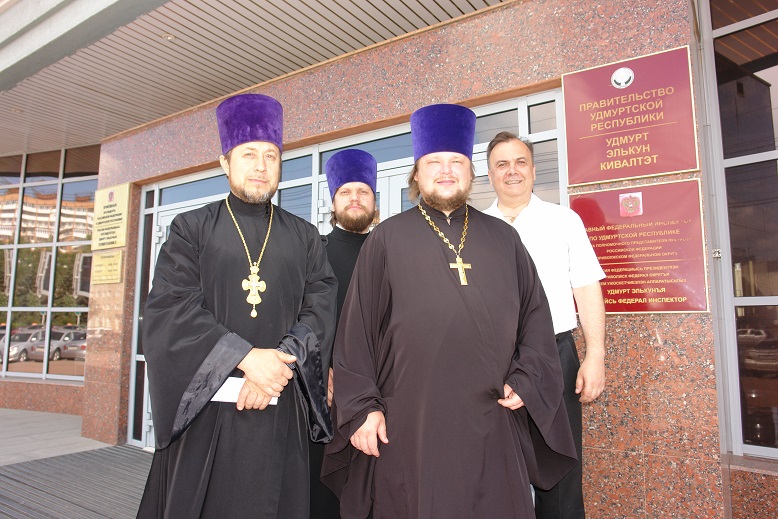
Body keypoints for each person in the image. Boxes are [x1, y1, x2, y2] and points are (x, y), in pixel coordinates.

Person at [321, 103, 577, 519]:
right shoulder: (386, 240)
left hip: (493, 418)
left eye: (456, 161)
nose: (445, 171)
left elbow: (535, 319)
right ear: (417, 174)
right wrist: (363, 408)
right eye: (433, 162)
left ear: (470, 172)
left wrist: (528, 378)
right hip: (411, 423)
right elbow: (357, 334)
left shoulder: (505, 239)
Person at [137, 93, 337, 519]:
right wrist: (246, 358)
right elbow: (171, 308)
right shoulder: (191, 229)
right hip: (206, 412)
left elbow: (320, 306)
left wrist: (277, 366)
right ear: (225, 163)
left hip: (280, 405)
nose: (261, 166)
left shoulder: (305, 237)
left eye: (271, 156)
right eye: (249, 154)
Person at [483, 131, 606, 518]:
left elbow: (586, 287)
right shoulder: (475, 228)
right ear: (490, 174)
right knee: (496, 467)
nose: (512, 171)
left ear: (534, 170)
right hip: (492, 361)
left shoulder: (563, 220)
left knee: (559, 467)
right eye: (502, 164)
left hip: (554, 354)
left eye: (520, 162)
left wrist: (596, 356)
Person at [310, 149, 378, 519]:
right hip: (327, 395)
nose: (355, 198)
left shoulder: (390, 252)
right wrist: (320, 370)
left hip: (380, 394)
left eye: (363, 191)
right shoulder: (314, 253)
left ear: (374, 200)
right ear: (333, 202)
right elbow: (301, 320)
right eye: (345, 192)